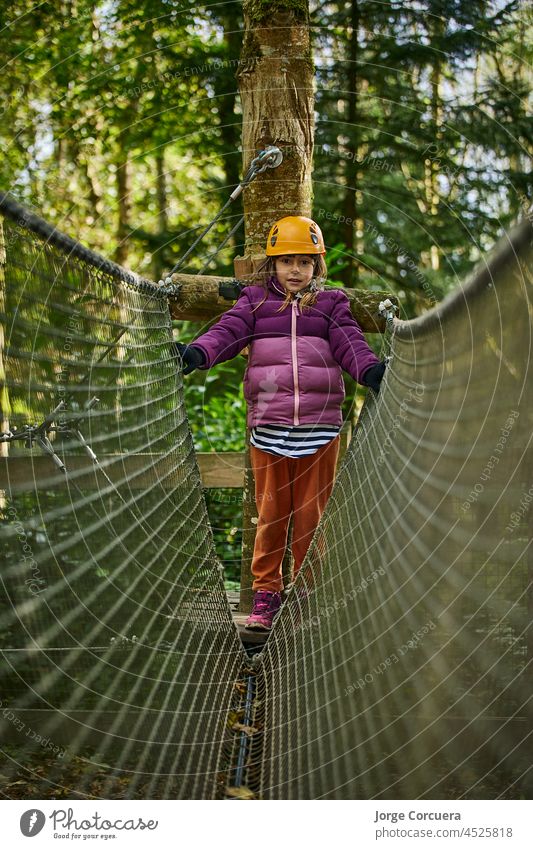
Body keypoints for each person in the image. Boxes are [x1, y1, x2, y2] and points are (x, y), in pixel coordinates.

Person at [174, 216, 386, 631]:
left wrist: (370, 371)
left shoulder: (331, 304)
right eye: (286, 260)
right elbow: (227, 333)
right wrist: (198, 354)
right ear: (271, 264)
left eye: (304, 262)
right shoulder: (253, 302)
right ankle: (267, 597)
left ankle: (305, 598)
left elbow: (349, 342)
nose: (294, 270)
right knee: (271, 517)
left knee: (311, 518)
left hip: (321, 429)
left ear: (317, 266)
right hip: (269, 429)